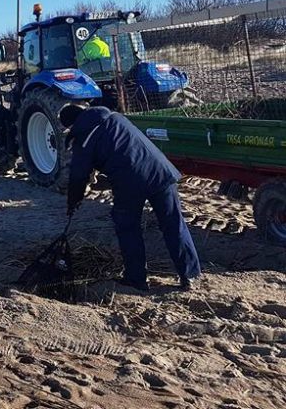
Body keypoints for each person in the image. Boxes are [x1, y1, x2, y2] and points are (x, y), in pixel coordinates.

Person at [61, 104, 201, 291]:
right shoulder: (115, 117)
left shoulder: (84, 137)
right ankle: (190, 275)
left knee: (127, 227)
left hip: (129, 182)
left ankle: (136, 278)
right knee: (174, 224)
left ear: (71, 125)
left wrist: (74, 201)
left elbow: (78, 176)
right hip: (161, 172)